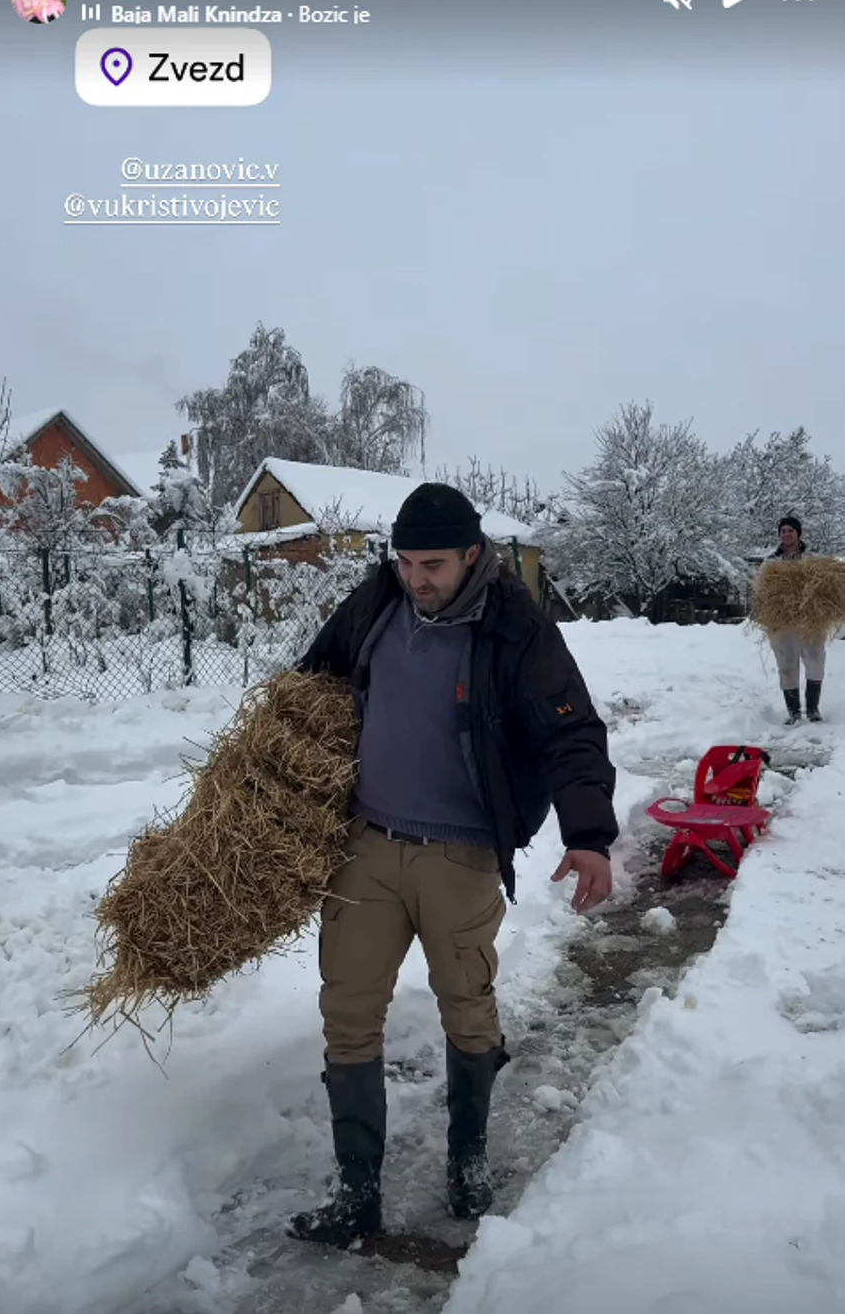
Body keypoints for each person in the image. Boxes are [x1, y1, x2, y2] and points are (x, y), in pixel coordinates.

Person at [287, 482, 618, 1247]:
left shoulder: (516, 630)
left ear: (474, 554)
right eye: (405, 562)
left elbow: (571, 733)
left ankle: (467, 1166)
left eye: (431, 563)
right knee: (347, 1014)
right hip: (366, 847)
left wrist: (590, 836)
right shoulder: (377, 604)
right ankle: (357, 1193)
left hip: (461, 855)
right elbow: (314, 684)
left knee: (468, 1007)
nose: (416, 578)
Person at [768, 515, 824, 724]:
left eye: (791, 530)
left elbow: (824, 587)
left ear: (798, 533)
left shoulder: (813, 559)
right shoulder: (771, 562)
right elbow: (763, 591)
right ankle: (793, 712)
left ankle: (812, 709)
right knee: (786, 663)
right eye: (783, 531)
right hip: (784, 621)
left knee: (815, 660)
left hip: (812, 618)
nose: (786, 534)